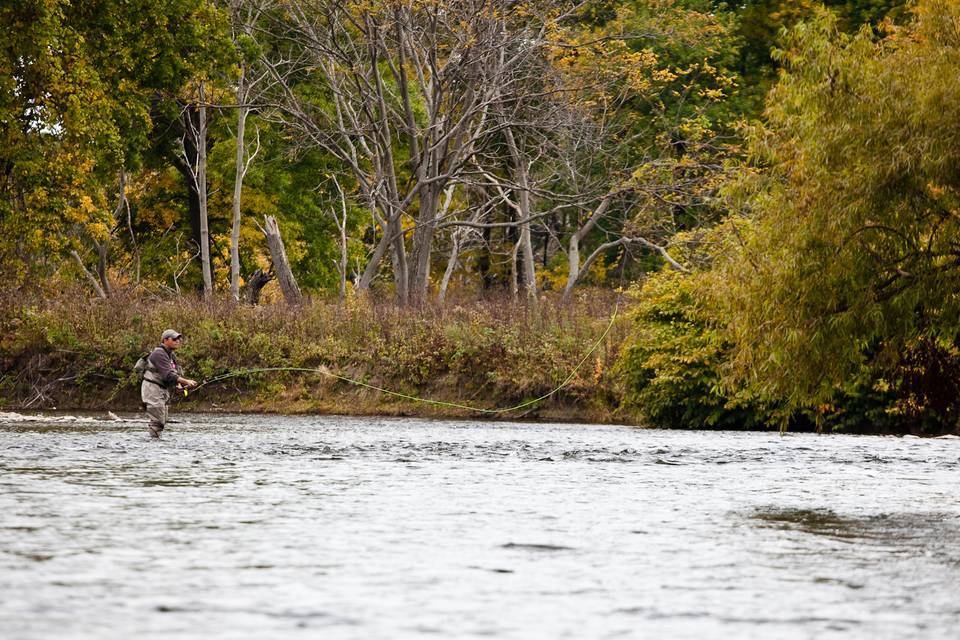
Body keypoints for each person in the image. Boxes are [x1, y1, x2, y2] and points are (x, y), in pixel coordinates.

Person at [141, 329, 197, 438]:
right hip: (152, 388)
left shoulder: (170, 355)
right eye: (174, 339)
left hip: (162, 389)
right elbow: (168, 374)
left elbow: (173, 374)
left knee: (163, 419)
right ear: (165, 340)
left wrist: (179, 386)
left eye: (179, 339)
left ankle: (156, 442)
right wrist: (186, 381)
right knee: (158, 421)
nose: (178, 341)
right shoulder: (159, 353)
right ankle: (153, 447)